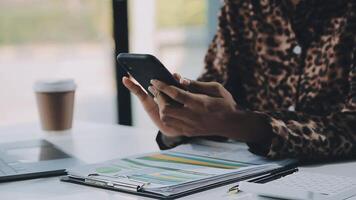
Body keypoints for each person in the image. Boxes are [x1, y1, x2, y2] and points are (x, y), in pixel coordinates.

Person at [123, 0, 356, 161]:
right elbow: (216, 94)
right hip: (250, 178)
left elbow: (352, 129)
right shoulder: (241, 7)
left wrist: (244, 125)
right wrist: (181, 122)